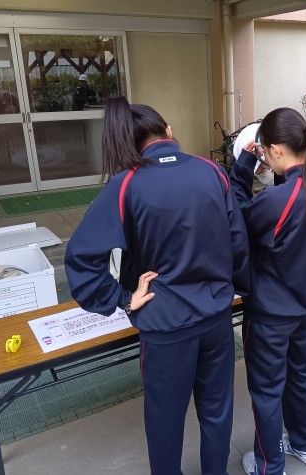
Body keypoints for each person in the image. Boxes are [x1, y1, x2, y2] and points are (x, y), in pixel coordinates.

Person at [64, 97, 250, 474]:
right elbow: (238, 241)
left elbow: (81, 257)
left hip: (165, 327)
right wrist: (240, 287)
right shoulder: (212, 171)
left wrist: (121, 298)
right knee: (217, 411)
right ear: (168, 131)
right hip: (216, 317)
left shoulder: (126, 185)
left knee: (165, 423)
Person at [230, 107, 306, 475]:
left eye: (264, 150)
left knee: (266, 389)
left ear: (275, 150)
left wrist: (244, 166)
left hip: (270, 314)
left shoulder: (276, 201)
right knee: (300, 373)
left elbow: (237, 220)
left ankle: (269, 465)